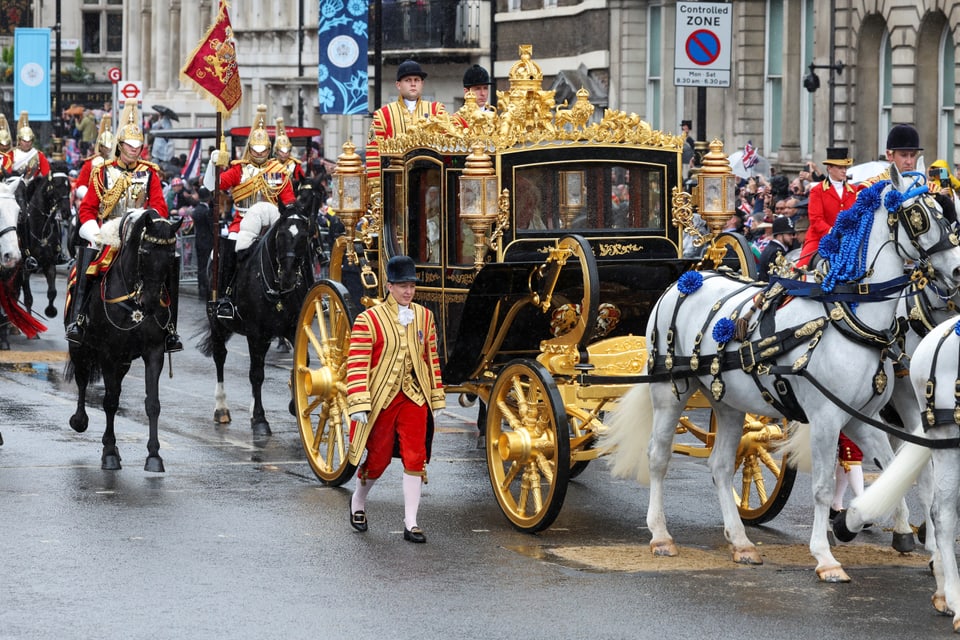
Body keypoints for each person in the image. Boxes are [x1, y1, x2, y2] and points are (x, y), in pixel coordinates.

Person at [69, 98, 181, 352]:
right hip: (109, 235)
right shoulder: (102, 171)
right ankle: (79, 319)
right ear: (120, 146)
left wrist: (145, 216)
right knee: (87, 267)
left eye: (138, 146)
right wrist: (95, 233)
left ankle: (171, 329)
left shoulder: (150, 172)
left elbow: (161, 207)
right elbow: (87, 208)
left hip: (141, 234)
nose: (135, 150)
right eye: (130, 146)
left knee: (168, 264)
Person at [346, 255, 445, 543]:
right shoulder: (369, 319)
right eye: (402, 285)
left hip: (414, 398)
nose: (408, 291)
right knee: (377, 461)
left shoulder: (425, 317)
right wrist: (359, 403)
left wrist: (436, 398)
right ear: (389, 286)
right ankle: (358, 501)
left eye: (412, 286)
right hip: (381, 401)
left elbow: (431, 361)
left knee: (416, 458)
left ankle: (411, 522)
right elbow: (357, 363)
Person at [202, 104, 295, 320]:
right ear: (250, 148)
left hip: (273, 224)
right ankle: (226, 296)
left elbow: (289, 202)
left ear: (269, 148)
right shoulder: (238, 170)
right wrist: (212, 164)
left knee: (293, 249)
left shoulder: (279, 173)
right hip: (241, 223)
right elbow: (212, 186)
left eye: (263, 150)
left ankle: (297, 292)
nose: (260, 154)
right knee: (227, 252)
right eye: (256, 149)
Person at [366, 60, 448, 190]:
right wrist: (376, 187)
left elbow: (447, 147)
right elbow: (373, 152)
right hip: (395, 182)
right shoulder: (383, 114)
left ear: (422, 84)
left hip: (429, 182)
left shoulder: (436, 111)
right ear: (398, 85)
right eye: (408, 80)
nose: (413, 84)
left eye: (417, 80)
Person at [798, 147, 857, 268]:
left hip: (848, 240)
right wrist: (833, 232)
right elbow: (816, 220)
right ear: (829, 168)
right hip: (819, 239)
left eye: (845, 167)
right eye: (840, 167)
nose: (844, 171)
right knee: (801, 267)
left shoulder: (854, 190)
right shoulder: (817, 190)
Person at [10, 111, 51, 180]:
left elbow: (46, 174)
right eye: (24, 141)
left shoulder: (39, 155)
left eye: (29, 141)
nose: (27, 143)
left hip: (33, 186)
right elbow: (6, 172)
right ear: (19, 140)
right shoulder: (11, 154)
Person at [192, 187, 215, 300]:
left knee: (201, 266)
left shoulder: (196, 210)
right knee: (206, 266)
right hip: (207, 241)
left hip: (199, 241)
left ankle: (201, 287)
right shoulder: (206, 212)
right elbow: (211, 227)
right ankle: (205, 288)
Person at [273, 117, 306, 193]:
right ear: (277, 151)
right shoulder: (271, 164)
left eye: (287, 151)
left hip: (291, 193)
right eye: (282, 151)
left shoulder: (294, 164)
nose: (284, 154)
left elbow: (301, 180)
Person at [757, 216, 795, 280]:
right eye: (789, 234)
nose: (792, 237)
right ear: (779, 235)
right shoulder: (777, 253)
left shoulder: (772, 248)